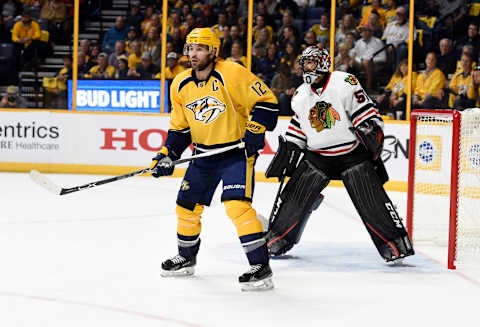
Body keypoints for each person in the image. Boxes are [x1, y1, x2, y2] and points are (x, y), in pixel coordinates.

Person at [150, 28, 279, 291]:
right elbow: (180, 129)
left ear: (213, 51)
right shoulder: (180, 83)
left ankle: (260, 267)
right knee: (185, 206)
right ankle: (186, 258)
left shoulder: (231, 72)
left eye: (200, 48)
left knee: (236, 206)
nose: (193, 54)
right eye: (190, 48)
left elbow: (267, 102)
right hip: (203, 155)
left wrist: (256, 128)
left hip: (236, 153)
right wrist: (167, 154)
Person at [264, 46, 414, 263]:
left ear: (324, 63)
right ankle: (279, 238)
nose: (306, 68)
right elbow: (298, 128)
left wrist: (371, 129)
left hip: (351, 155)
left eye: (311, 63)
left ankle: (394, 243)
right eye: (304, 63)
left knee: (370, 200)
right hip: (318, 157)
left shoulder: (344, 83)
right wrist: (288, 151)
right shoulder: (300, 94)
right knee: (294, 196)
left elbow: (367, 113)